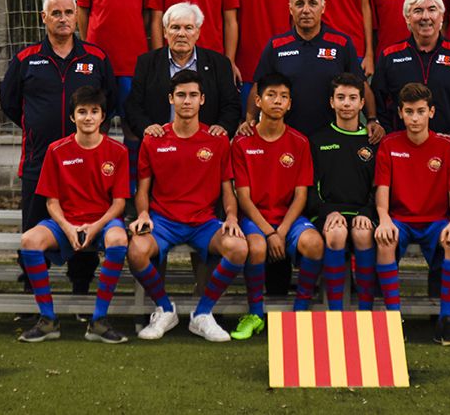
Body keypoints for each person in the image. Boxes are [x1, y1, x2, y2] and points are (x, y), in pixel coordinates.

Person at [0, 0, 116, 298]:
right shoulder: (26, 59)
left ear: (77, 16)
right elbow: (9, 103)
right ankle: (32, 293)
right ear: (44, 18)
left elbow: (111, 102)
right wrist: (36, 126)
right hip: (39, 162)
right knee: (34, 229)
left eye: (68, 12)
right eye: (56, 13)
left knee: (84, 227)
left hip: (86, 165)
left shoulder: (96, 58)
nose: (63, 19)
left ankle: (80, 289)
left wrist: (89, 137)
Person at [127, 70, 248, 342]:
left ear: (202, 99)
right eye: (181, 95)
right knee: (136, 251)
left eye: (193, 95)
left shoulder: (217, 139)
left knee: (239, 248)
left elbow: (227, 189)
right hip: (163, 221)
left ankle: (202, 314)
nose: (187, 101)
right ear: (171, 98)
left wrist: (231, 216)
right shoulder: (154, 139)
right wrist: (143, 213)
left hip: (203, 222)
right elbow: (142, 190)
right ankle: (165, 309)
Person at [17, 86, 129, 344]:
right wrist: (68, 228)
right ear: (72, 117)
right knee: (29, 240)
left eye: (94, 111)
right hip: (65, 221)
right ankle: (48, 320)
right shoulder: (56, 150)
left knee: (119, 239)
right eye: (82, 112)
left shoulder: (118, 152)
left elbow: (119, 203)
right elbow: (51, 202)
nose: (88, 117)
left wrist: (95, 226)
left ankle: (98, 321)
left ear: (103, 116)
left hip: (103, 221)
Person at [230, 73, 324, 340]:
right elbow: (243, 198)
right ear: (258, 101)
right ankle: (256, 314)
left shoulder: (300, 142)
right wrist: (269, 233)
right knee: (257, 246)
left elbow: (301, 196)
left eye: (284, 96)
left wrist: (281, 231)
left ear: (290, 104)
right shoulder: (242, 142)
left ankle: (300, 310)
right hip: (255, 218)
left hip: (288, 220)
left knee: (315, 244)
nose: (278, 101)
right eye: (271, 95)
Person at [374, 83, 450, 346]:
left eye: (421, 111)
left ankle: (446, 320)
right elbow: (382, 190)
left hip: (436, 221)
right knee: (385, 240)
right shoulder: (389, 145)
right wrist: (384, 218)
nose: (415, 118)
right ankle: (393, 320)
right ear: (400, 113)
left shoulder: (446, 147)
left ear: (431, 112)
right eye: (409, 112)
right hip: (400, 220)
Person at [239, 0, 384, 140]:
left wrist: (372, 119)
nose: (306, 10)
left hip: (332, 137)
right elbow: (259, 86)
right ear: (290, 9)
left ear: (323, 7)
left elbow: (360, 84)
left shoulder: (341, 43)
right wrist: (250, 120)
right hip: (288, 136)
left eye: (313, 3)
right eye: (299, 4)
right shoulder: (276, 45)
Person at [77, 0, 154, 193]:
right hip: (99, 64)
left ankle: (131, 189)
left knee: (133, 126)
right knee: (97, 124)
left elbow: (146, 15)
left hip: (132, 63)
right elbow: (83, 9)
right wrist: (89, 47)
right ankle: (98, 189)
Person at [373, 0, 450, 148]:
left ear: (442, 16)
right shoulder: (390, 56)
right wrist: (393, 138)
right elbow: (378, 104)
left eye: (432, 10)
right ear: (407, 17)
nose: (425, 17)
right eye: (418, 11)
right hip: (402, 151)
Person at [307, 73, 378, 310]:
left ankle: (366, 309)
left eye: (352, 98)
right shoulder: (317, 140)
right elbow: (310, 187)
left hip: (362, 213)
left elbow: (379, 187)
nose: (346, 104)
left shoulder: (373, 142)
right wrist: (327, 211)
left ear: (362, 103)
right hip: (328, 213)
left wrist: (367, 213)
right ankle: (335, 311)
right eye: (340, 97)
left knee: (363, 235)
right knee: (336, 233)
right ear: (331, 102)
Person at [125, 2, 240, 139]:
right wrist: (147, 128)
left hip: (206, 142)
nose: (181, 34)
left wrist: (223, 127)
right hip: (161, 142)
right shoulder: (147, 63)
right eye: (175, 27)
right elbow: (134, 106)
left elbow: (231, 105)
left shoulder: (219, 63)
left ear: (198, 33)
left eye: (188, 28)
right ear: (165, 32)